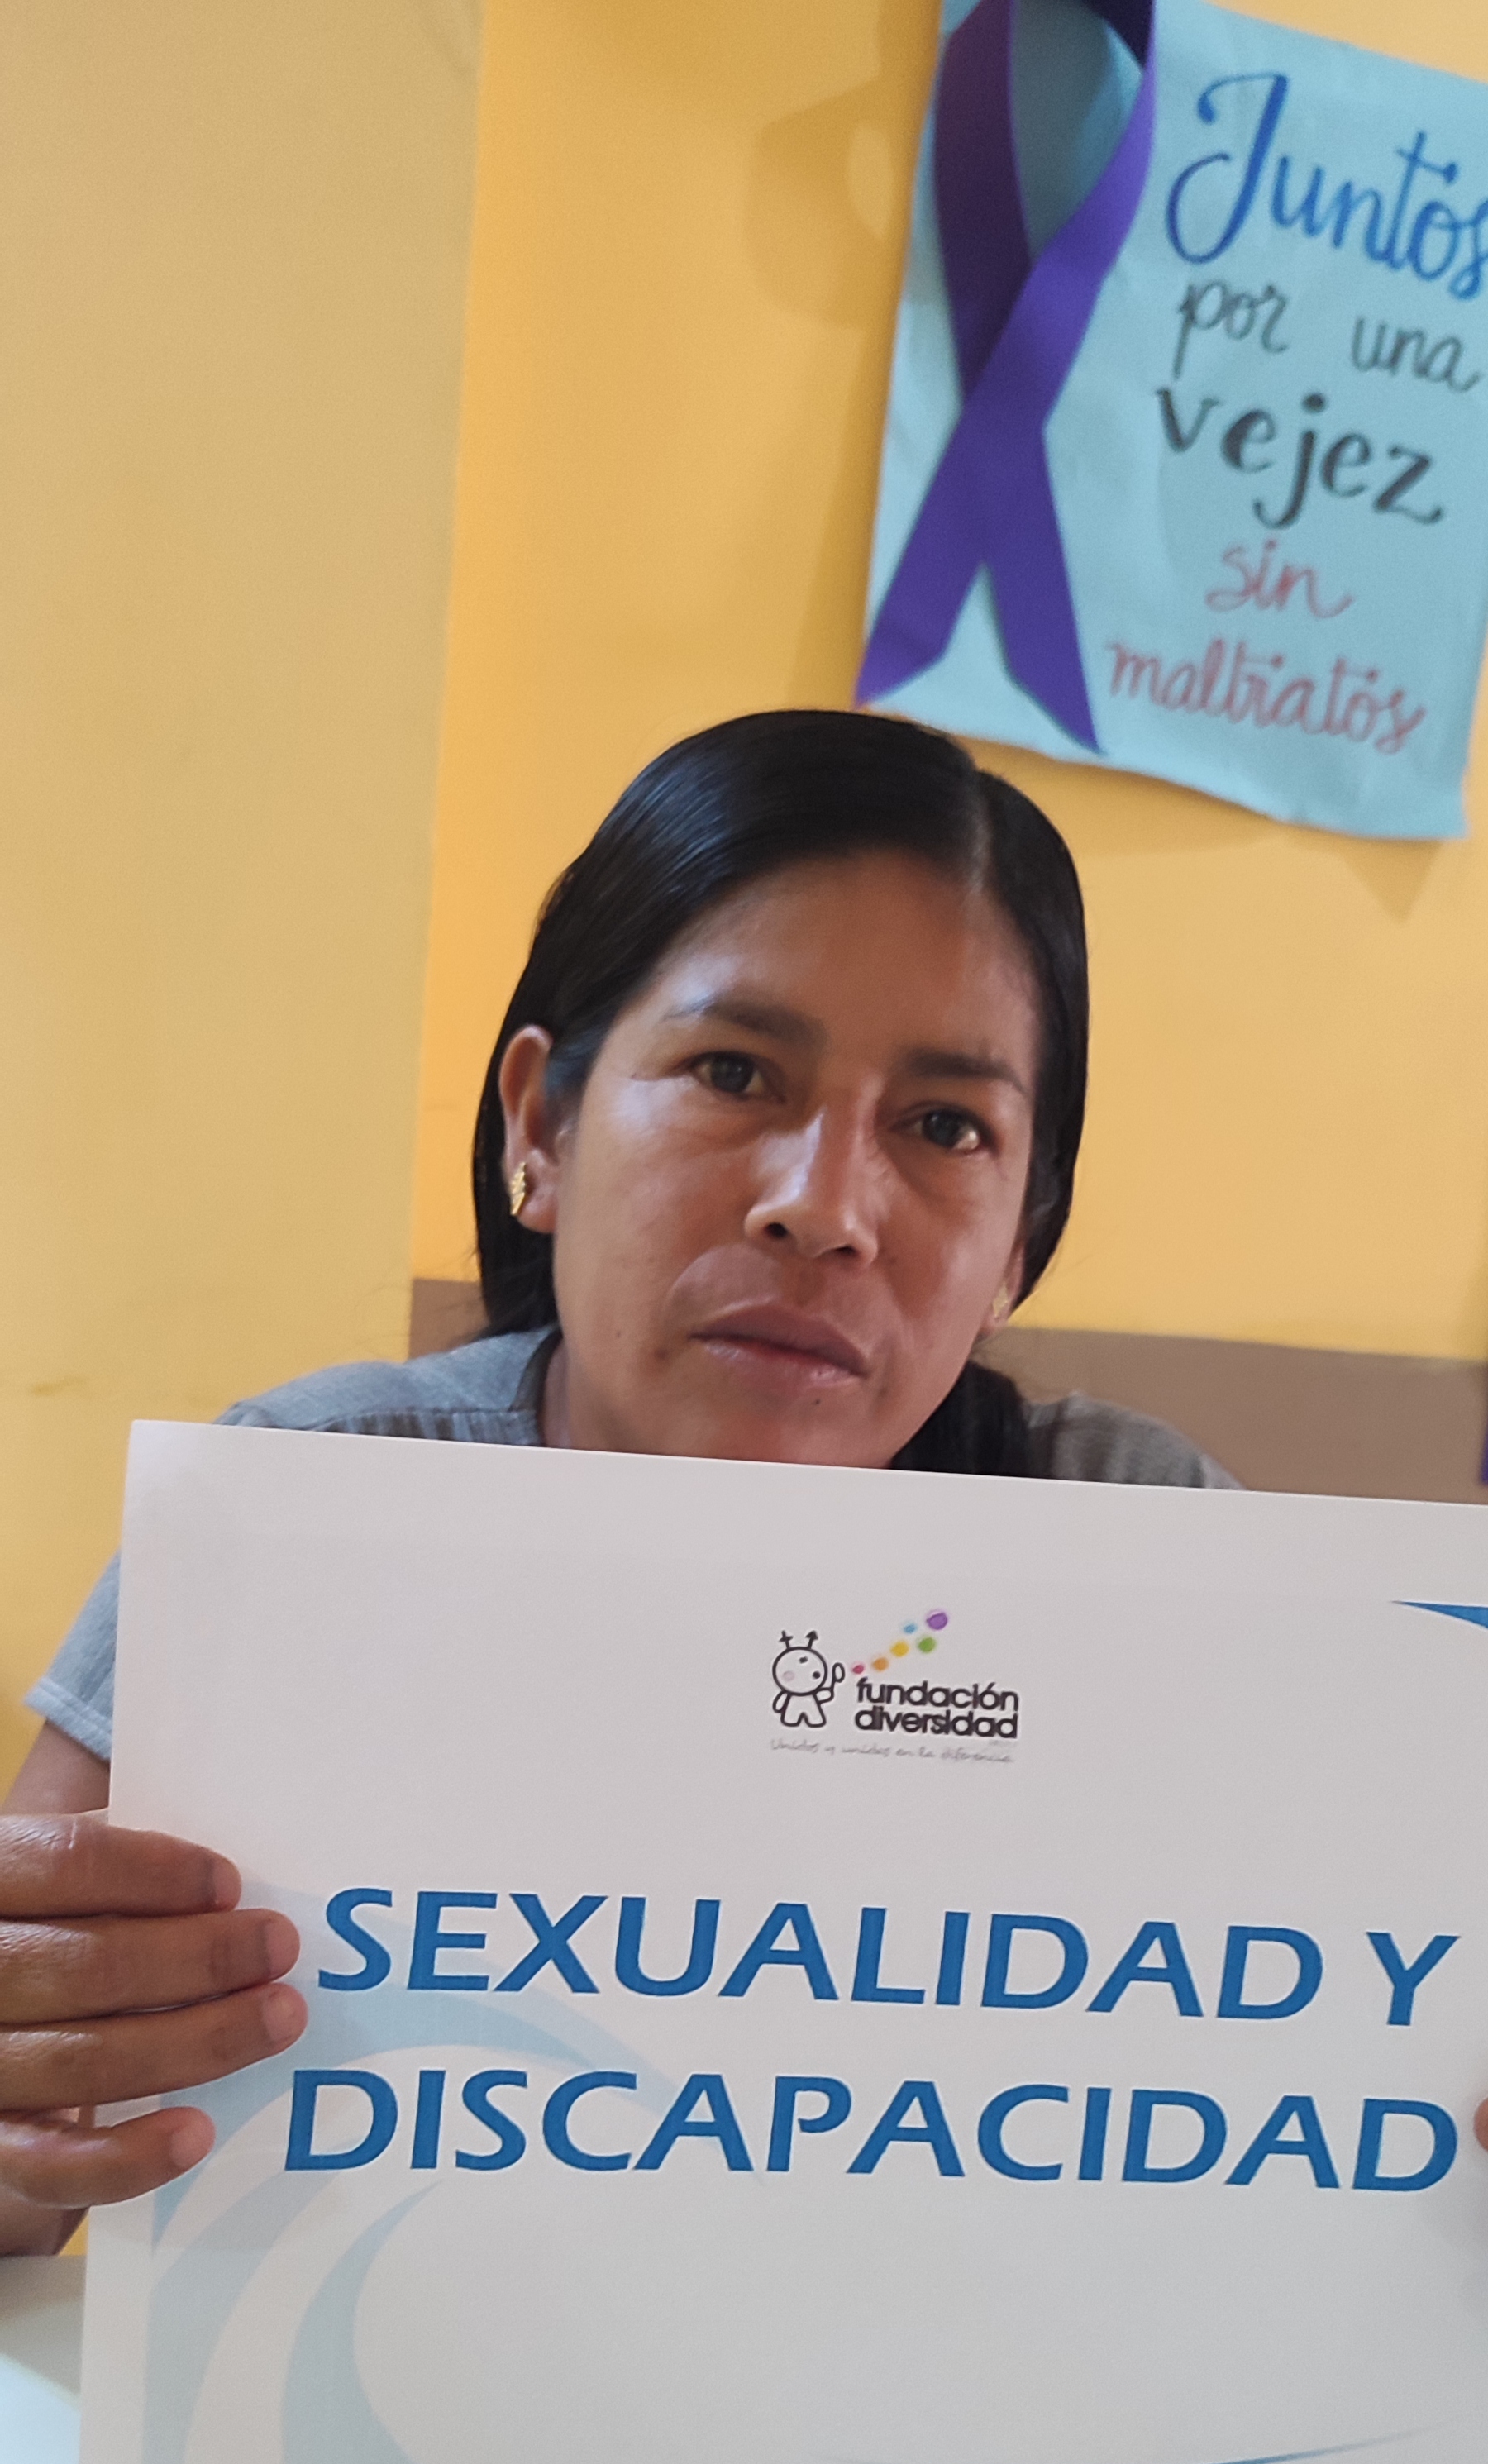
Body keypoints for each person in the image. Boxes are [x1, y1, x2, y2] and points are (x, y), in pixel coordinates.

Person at [0, 703, 1415, 2259]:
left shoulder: (1149, 1547)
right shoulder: (300, 1512)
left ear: (1020, 1242)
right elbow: (30, 2148)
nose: (824, 1209)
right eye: (735, 1070)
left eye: (947, 1126)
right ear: (542, 1124)